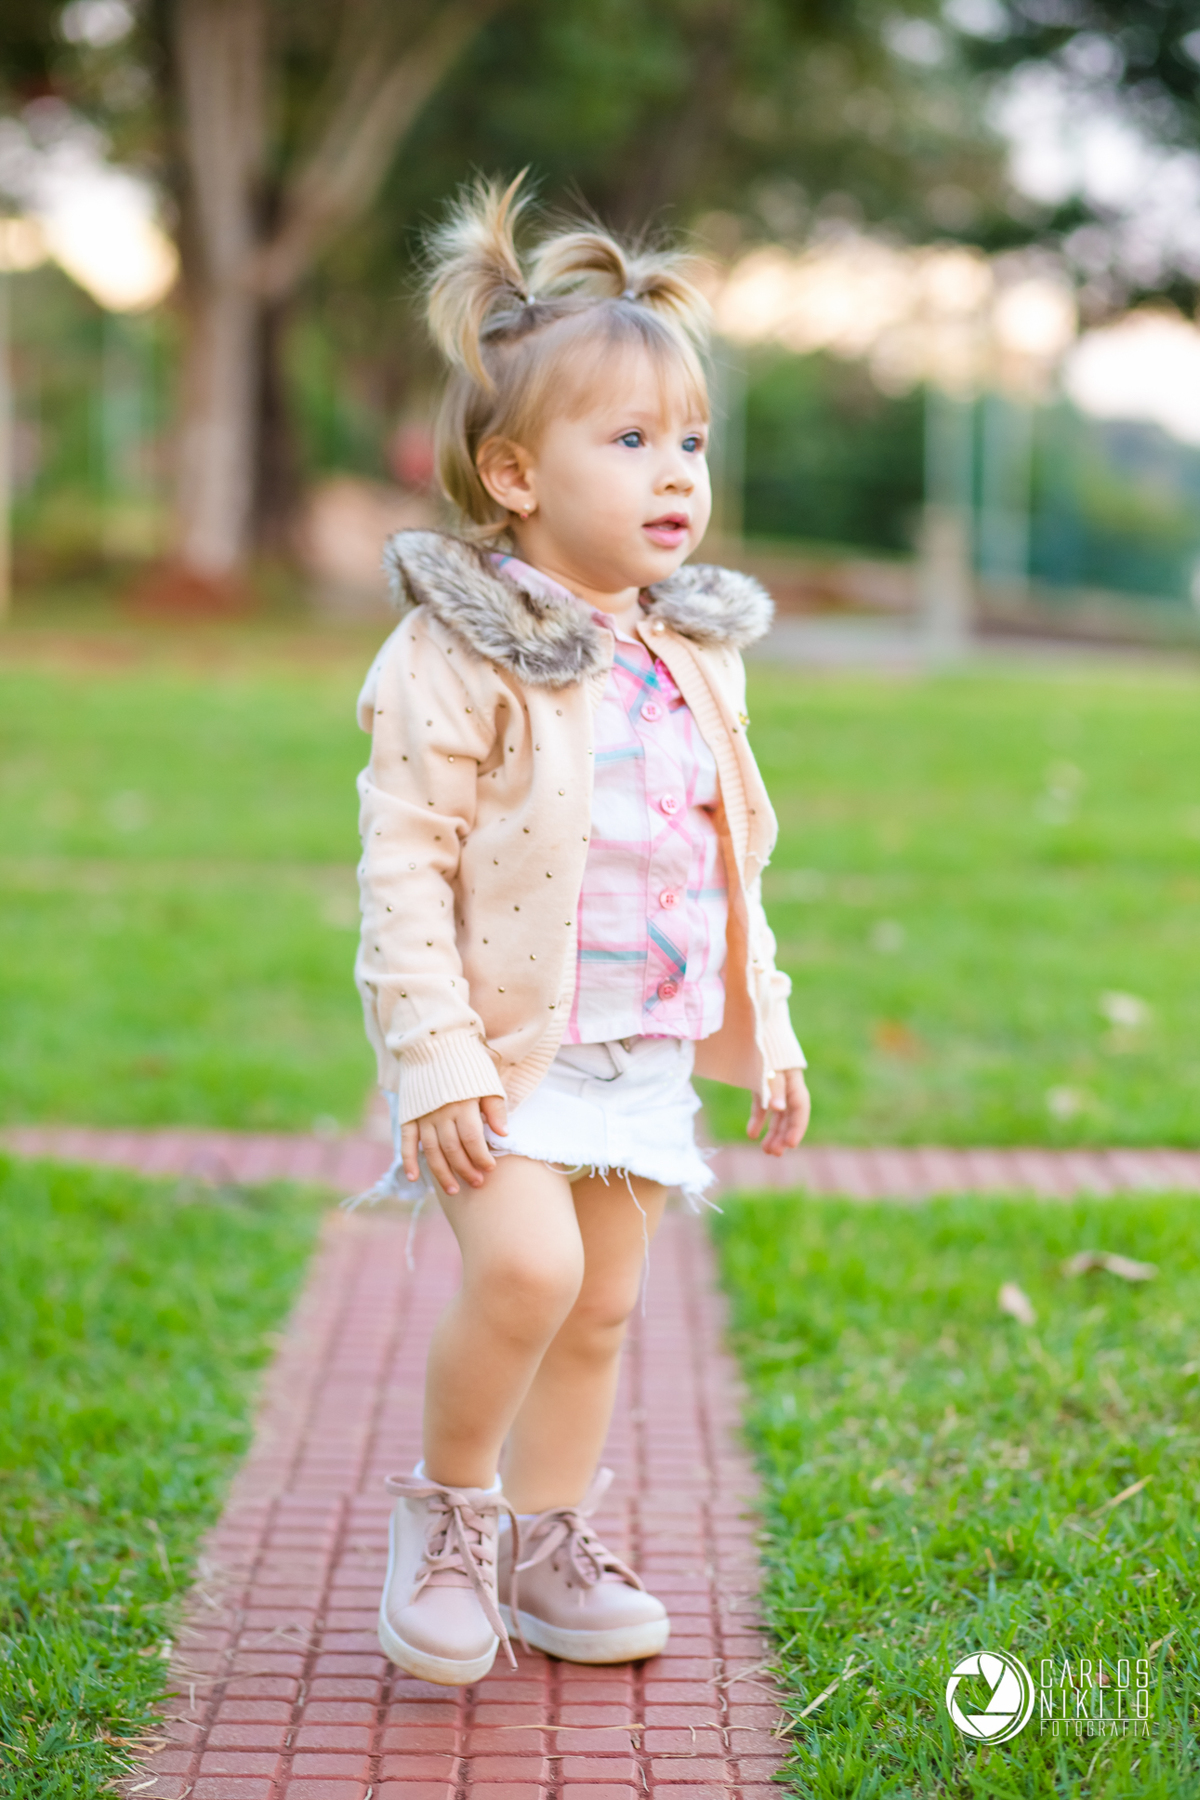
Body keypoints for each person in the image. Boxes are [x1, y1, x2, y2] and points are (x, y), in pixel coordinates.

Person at [354, 175, 810, 1687]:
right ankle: (451, 1515)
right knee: (530, 1275)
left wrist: (773, 1028)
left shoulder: (691, 656)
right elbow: (404, 871)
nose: (677, 472)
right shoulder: (450, 655)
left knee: (606, 1307)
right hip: (498, 1052)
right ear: (514, 474)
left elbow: (728, 859)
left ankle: (553, 1540)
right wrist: (433, 1064)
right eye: (630, 441)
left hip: (640, 1049)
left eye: (690, 442)